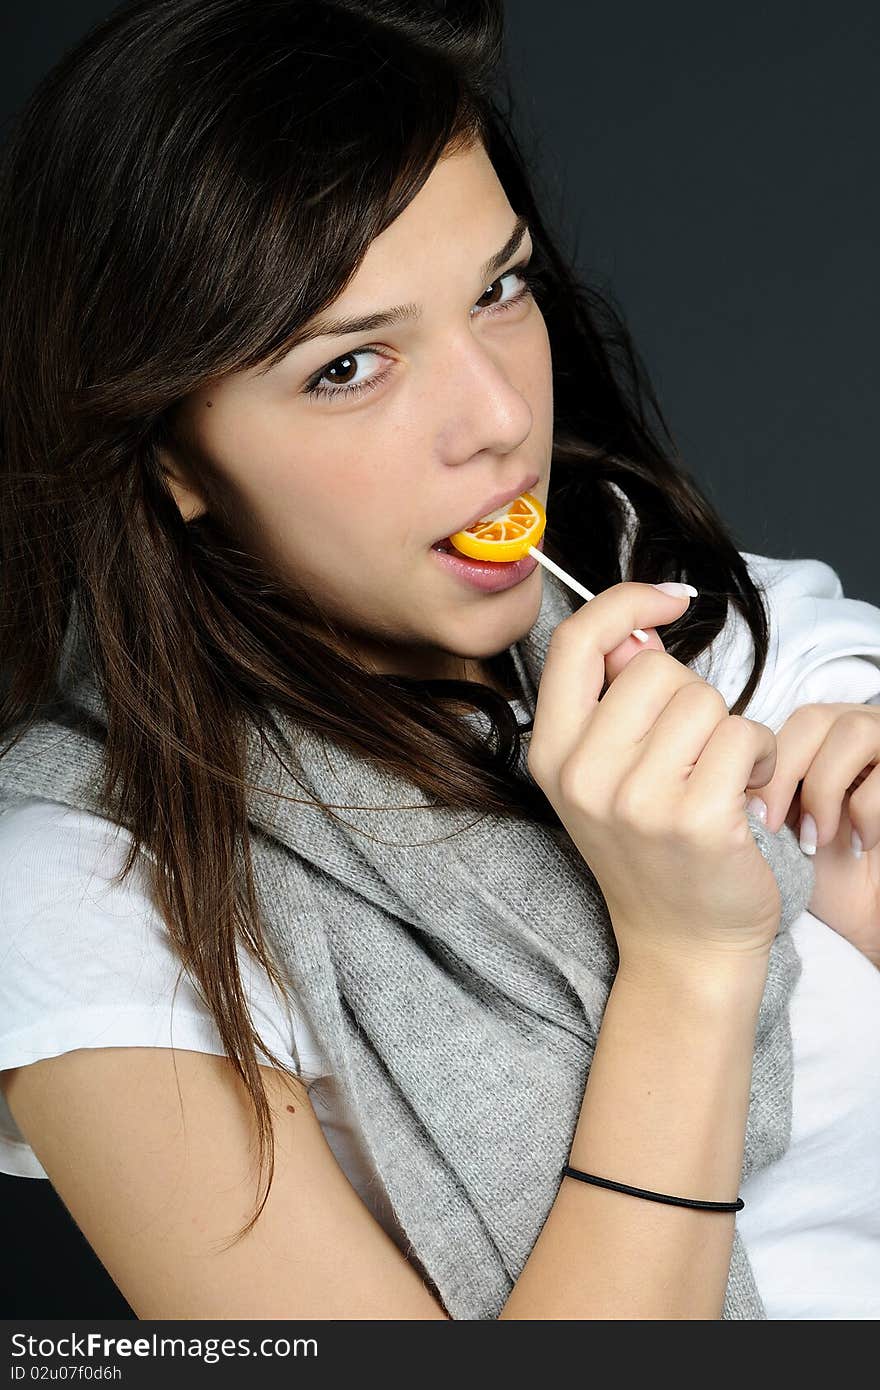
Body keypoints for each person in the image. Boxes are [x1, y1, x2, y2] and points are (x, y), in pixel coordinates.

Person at [1, 0, 879, 1321]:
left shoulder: (698, 612)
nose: (500, 416)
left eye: (500, 289)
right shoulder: (89, 898)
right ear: (171, 453)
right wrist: (691, 962)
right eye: (351, 364)